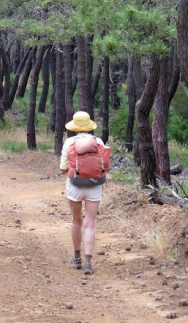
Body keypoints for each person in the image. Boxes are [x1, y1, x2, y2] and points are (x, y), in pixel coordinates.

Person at [59, 111, 108, 275]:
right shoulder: (98, 141)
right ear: (89, 126)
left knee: (76, 221)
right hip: (95, 185)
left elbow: (63, 169)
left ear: (75, 127)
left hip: (75, 186)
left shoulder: (69, 142)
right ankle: (88, 262)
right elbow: (105, 166)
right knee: (90, 223)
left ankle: (77, 257)